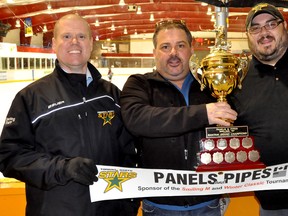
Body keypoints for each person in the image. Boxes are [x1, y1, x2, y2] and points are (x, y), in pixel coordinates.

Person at [0, 14, 139, 216]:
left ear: (91, 43)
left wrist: (129, 204)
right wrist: (62, 168)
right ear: (54, 44)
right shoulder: (30, 97)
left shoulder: (112, 95)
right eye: (66, 36)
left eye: (81, 36)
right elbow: (9, 156)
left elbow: (129, 153)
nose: (74, 42)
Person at [120, 19, 237, 216]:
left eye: (180, 45)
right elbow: (138, 119)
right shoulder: (140, 84)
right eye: (165, 46)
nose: (173, 53)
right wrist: (203, 113)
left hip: (208, 203)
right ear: (155, 52)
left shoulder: (210, 87)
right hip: (159, 206)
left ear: (191, 49)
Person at [229, 3, 288, 216]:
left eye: (271, 24)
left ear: (284, 27)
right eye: (255, 28)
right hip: (271, 204)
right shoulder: (237, 81)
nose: (264, 32)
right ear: (248, 35)